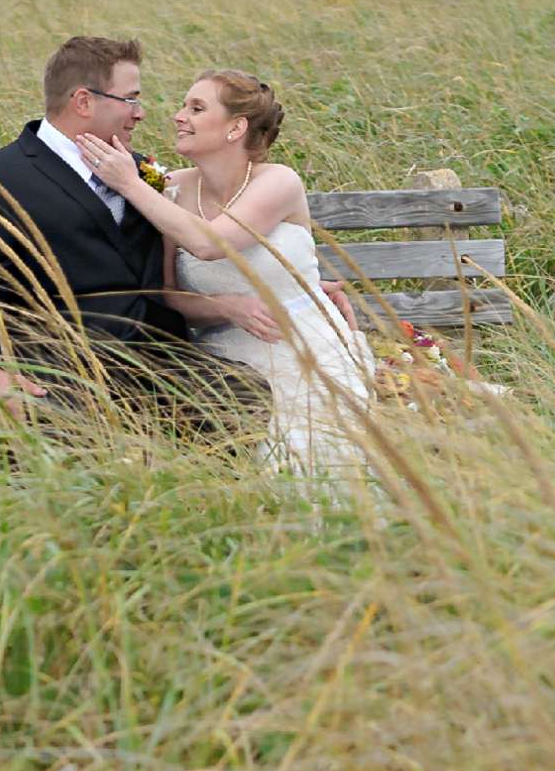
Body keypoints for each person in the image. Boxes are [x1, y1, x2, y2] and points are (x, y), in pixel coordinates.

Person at [0, 36, 349, 440]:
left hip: (156, 363)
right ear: (84, 101)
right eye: (131, 99)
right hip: (59, 363)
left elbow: (171, 267)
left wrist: (299, 287)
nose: (142, 113)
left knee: (241, 392)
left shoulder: (141, 174)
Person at [75, 71, 375, 478]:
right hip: (227, 360)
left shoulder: (278, 181)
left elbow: (212, 244)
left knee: (308, 452)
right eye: (184, 106)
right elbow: (169, 294)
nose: (179, 116)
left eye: (196, 108)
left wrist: (130, 184)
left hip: (308, 347)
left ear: (236, 128)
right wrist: (226, 307)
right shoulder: (172, 189)